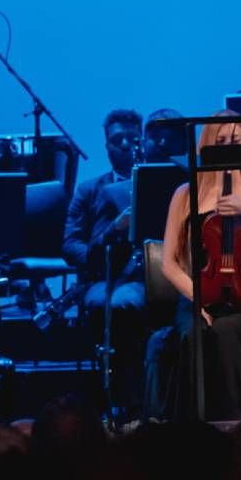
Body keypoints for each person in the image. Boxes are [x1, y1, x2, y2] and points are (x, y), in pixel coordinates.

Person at [161, 112, 241, 420]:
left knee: (223, 332)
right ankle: (191, 424)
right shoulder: (185, 194)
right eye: (220, 142)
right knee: (194, 334)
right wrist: (200, 300)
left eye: (236, 141)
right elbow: (169, 263)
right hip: (197, 291)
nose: (228, 148)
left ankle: (233, 421)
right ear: (206, 145)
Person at [63, 110, 145, 417]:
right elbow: (70, 244)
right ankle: (119, 402)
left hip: (150, 274)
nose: (125, 145)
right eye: (116, 140)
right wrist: (98, 263)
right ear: (106, 146)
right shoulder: (88, 190)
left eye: (132, 138)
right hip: (105, 276)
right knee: (112, 304)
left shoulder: (159, 180)